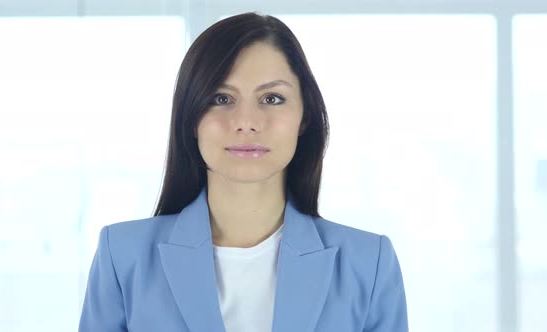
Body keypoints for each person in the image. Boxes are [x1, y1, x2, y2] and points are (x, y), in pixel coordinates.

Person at [79, 12, 408, 332]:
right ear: (191, 117)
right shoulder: (123, 257)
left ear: (304, 116)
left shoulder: (369, 263)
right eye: (221, 98)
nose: (247, 122)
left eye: (272, 98)